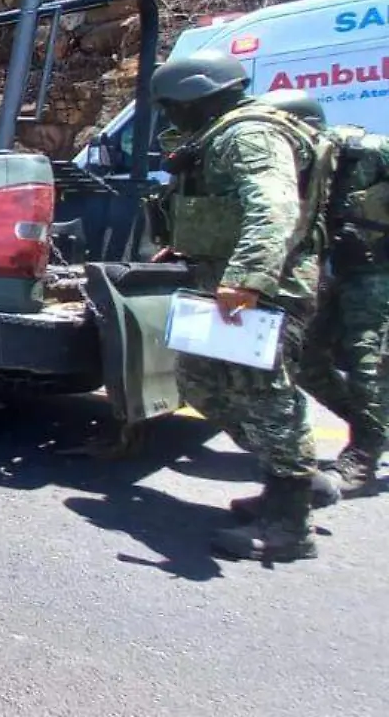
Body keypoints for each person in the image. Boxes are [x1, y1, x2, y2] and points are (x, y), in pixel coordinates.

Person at [150, 51, 333, 562]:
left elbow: (273, 208)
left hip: (259, 289)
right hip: (224, 282)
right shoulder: (224, 133)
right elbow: (224, 209)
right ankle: (292, 476)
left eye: (170, 105)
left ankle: (289, 523)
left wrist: (247, 278)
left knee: (264, 395)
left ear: (193, 96)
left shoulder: (246, 134)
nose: (169, 116)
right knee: (200, 382)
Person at [258, 88, 389, 497]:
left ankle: (365, 453)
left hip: (378, 273)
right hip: (330, 274)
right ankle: (374, 427)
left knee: (368, 364)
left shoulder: (365, 151)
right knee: (307, 361)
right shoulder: (287, 166)